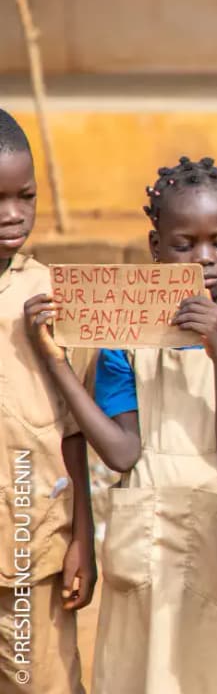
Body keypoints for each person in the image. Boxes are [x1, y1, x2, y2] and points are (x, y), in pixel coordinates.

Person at [28, 156, 217, 693]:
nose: (204, 260)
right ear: (155, 248)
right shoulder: (124, 335)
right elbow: (122, 454)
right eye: (183, 245)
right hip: (147, 551)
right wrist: (58, 363)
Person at [2, 109, 94, 693]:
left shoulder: (56, 300)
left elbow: (75, 433)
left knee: (42, 683)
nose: (12, 215)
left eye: (26, 196)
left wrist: (84, 537)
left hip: (31, 548)